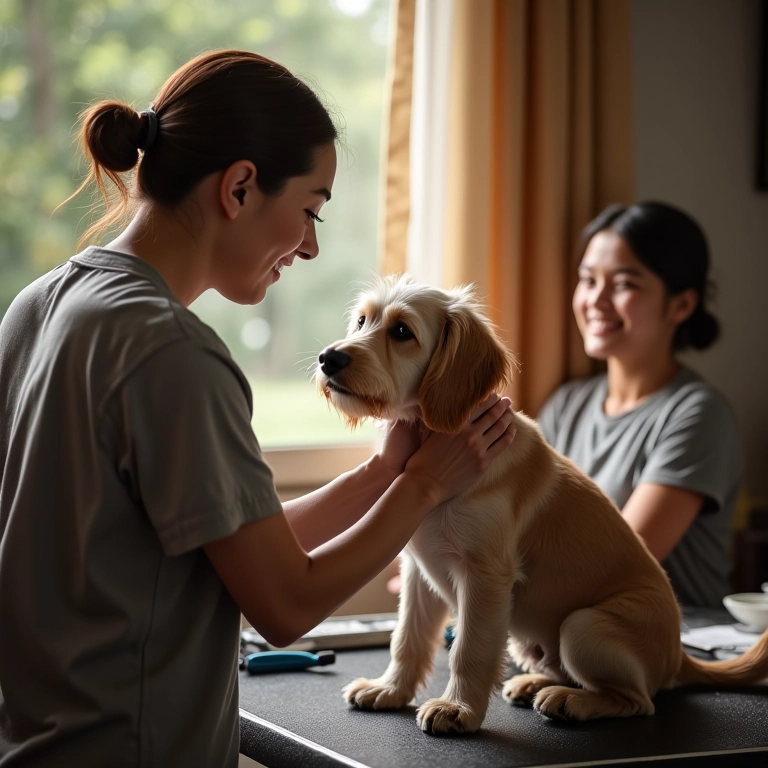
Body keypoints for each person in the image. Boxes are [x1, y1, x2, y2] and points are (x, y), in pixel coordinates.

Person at [0, 49, 516, 767]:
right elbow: (285, 605)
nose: (310, 246)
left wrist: (381, 476)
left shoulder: (37, 306)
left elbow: (230, 553)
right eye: (309, 211)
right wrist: (425, 486)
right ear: (239, 187)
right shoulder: (175, 353)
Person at [537, 201, 743, 610]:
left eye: (624, 284)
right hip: (569, 627)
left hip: (673, 636)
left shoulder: (698, 413)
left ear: (682, 305)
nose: (596, 299)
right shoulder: (566, 406)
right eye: (588, 280)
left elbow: (614, 565)